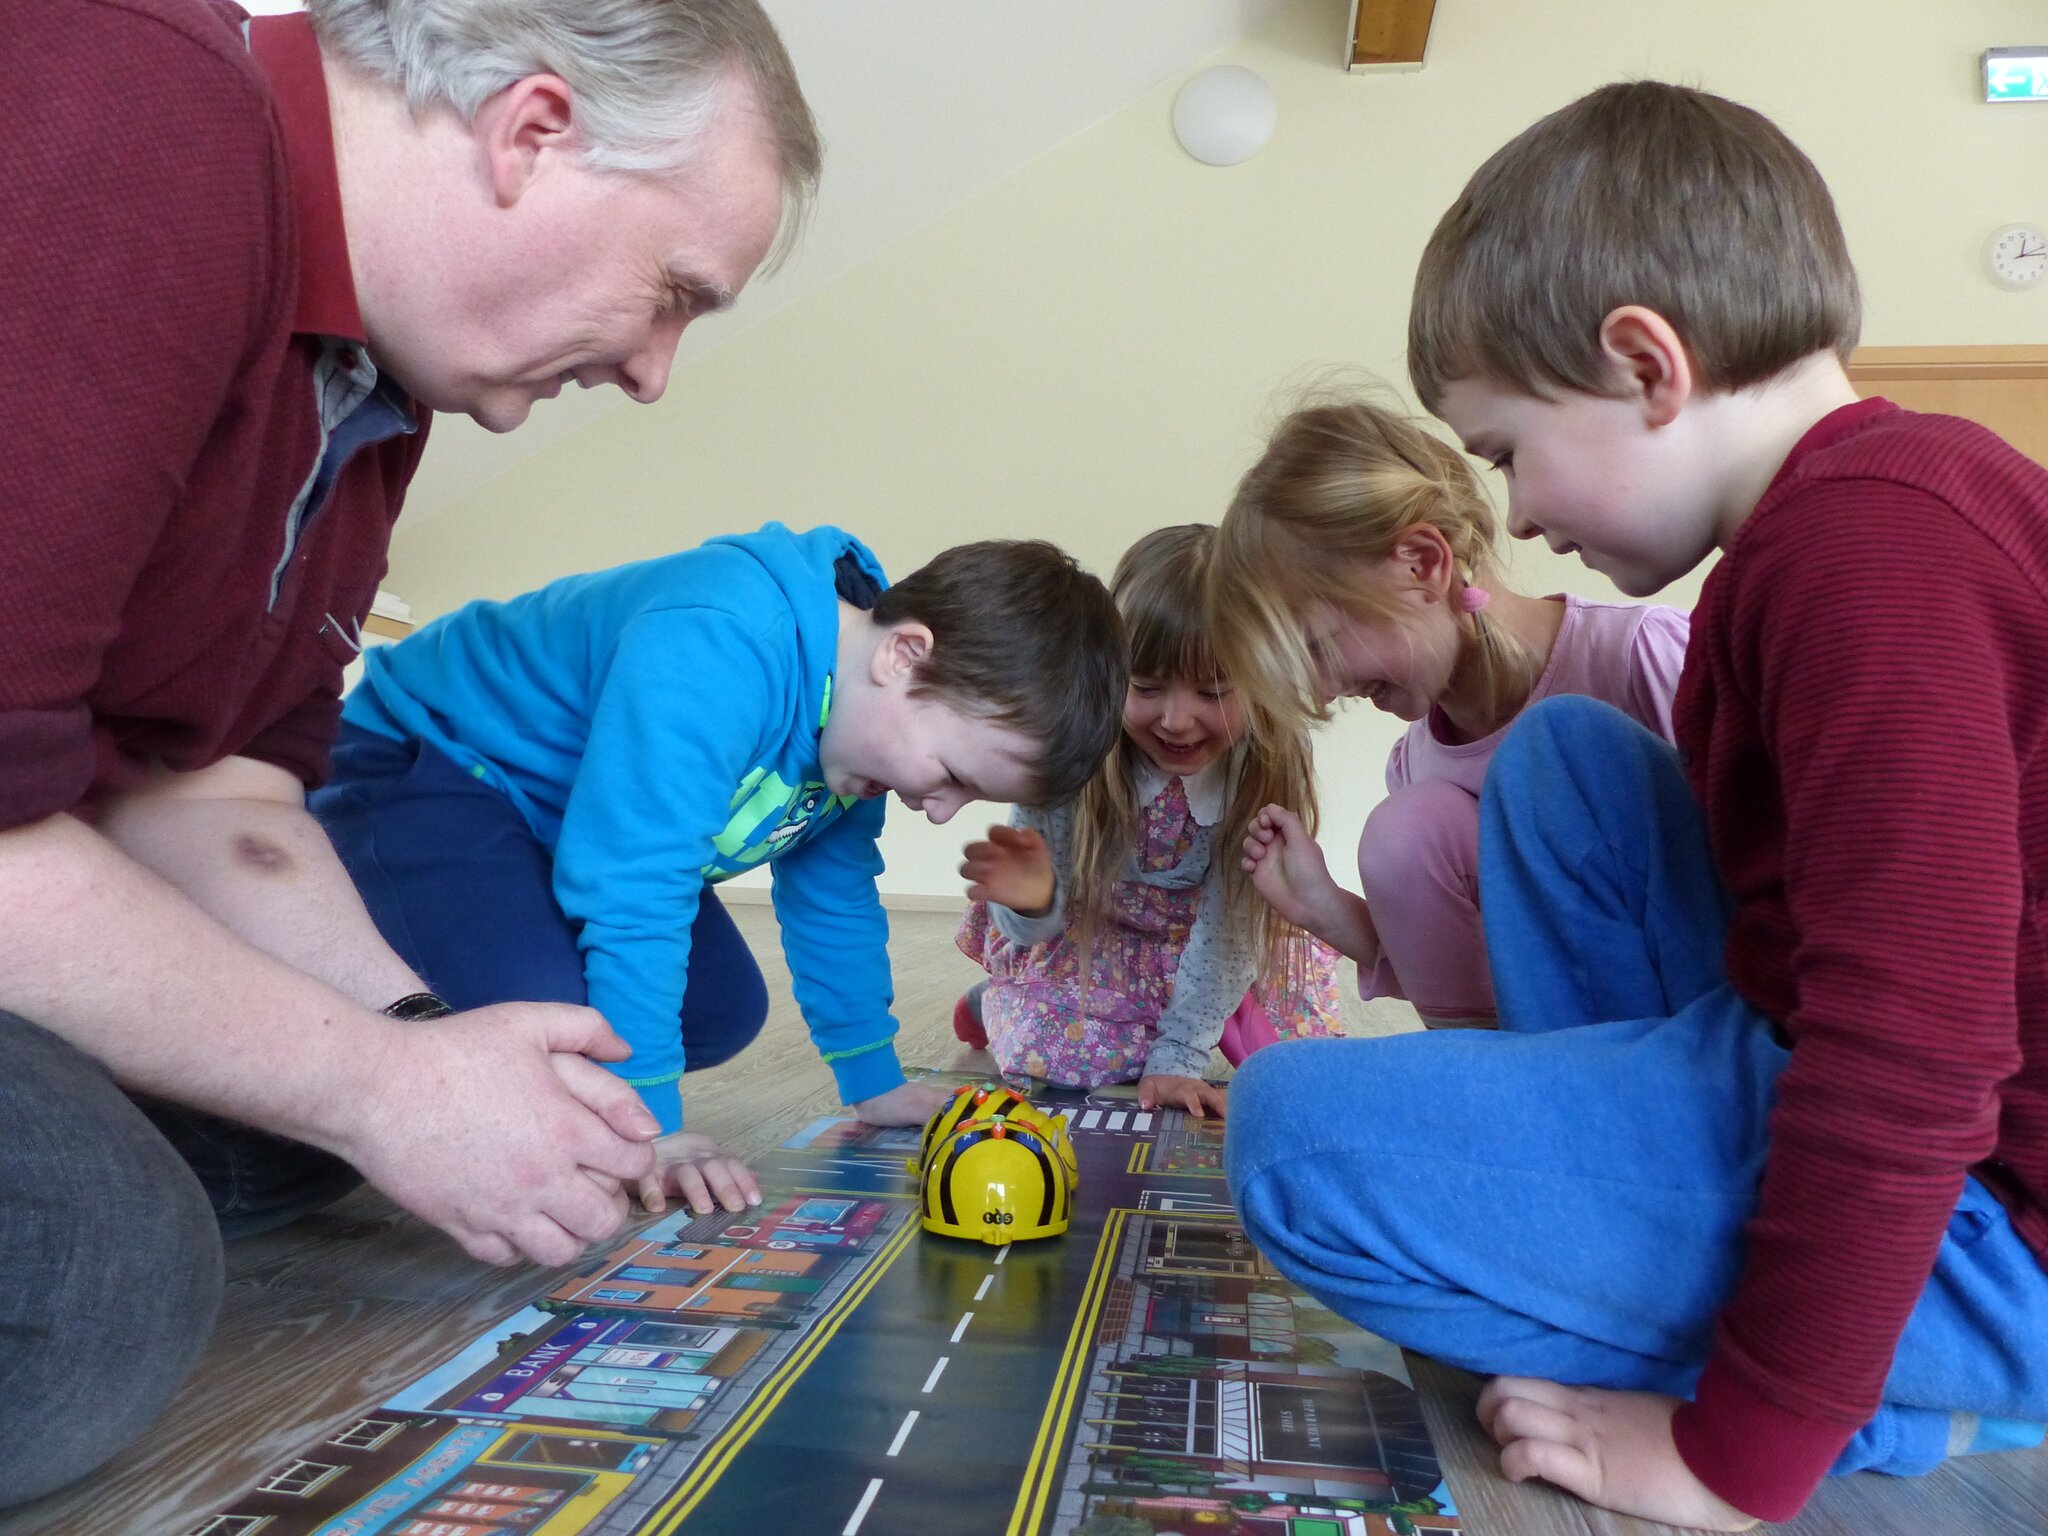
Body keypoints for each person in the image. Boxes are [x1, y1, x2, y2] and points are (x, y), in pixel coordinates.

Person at [0, 0, 818, 1503]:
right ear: (533, 132)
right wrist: (371, 1086)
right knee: (89, 1284)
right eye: (674, 293)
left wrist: (423, 1042)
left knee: (315, 1131)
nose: (654, 373)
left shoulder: (372, 391)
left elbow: (217, 788)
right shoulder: (142, 104)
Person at [1224, 81, 2048, 1529]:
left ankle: (1887, 1384)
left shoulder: (1874, 557)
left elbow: (1914, 1047)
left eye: (1507, 453)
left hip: (2000, 1223)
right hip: (1829, 1080)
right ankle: (1674, 1210)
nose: (1521, 515)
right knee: (1567, 768)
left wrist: (1735, 1453)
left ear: (1645, 365)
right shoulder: (1820, 535)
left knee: (1295, 1142)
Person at [314, 526, 1128, 1206]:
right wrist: (651, 1132)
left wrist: (873, 1080)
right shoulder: (723, 636)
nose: (939, 808)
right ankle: (317, 958)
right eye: (951, 774)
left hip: (568, 829)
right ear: (905, 657)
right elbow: (637, 887)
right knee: (568, 1023)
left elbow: (833, 894)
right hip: (428, 766)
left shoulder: (858, 733)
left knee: (718, 1013)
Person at [1209, 396, 1688, 1025]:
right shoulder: (1415, 767)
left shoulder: (1639, 658)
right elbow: (1467, 977)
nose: (1324, 693)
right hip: (1547, 1066)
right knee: (1405, 833)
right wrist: (1324, 909)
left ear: (1423, 564)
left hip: (1698, 1025)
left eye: (1318, 649)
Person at [953, 525, 1344, 1118]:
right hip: (1097, 938)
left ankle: (1220, 1013)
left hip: (1221, 946)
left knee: (1306, 1070)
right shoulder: (1076, 745)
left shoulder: (1262, 763)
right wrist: (1032, 903)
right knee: (1055, 1059)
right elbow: (1029, 929)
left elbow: (1231, 933)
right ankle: (995, 1000)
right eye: (1146, 687)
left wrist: (1180, 1054)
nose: (1177, 721)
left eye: (1213, 692)